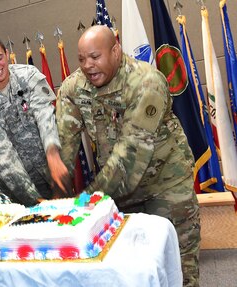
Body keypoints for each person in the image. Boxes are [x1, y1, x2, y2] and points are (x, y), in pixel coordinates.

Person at [56, 25, 200, 287]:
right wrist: (56, 196)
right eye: (81, 58)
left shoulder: (147, 82)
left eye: (95, 57)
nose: (87, 65)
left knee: (178, 269)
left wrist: (86, 200)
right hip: (118, 193)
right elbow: (64, 147)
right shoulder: (73, 88)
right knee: (128, 272)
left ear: (115, 50)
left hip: (166, 186)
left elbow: (130, 157)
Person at [0, 33, 71, 206]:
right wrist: (35, 201)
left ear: (7, 54)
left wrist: (53, 154)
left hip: (52, 174)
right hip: (16, 193)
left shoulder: (29, 77)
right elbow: (4, 158)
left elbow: (45, 115)